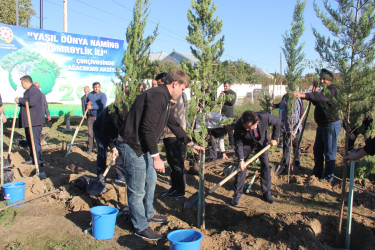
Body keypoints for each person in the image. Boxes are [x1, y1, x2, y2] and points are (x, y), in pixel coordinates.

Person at [118, 70, 202, 240]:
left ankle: (148, 214)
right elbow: (147, 130)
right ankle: (140, 226)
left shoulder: (164, 98)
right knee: (137, 188)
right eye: (183, 89)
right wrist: (157, 157)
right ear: (174, 84)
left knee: (151, 180)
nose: (182, 93)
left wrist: (190, 142)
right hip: (132, 145)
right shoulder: (157, 96)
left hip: (143, 146)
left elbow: (172, 123)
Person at [294, 68, 341, 182]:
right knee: (317, 150)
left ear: (329, 80)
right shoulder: (323, 91)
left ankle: (328, 178)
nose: (322, 81)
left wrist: (302, 94)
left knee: (329, 152)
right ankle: (317, 174)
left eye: (324, 79)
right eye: (321, 79)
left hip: (330, 125)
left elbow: (320, 97)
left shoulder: (332, 90)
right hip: (321, 126)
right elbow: (316, 100)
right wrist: (312, 93)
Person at [232, 110, 281, 206]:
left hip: (262, 143)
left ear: (257, 122)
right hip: (246, 144)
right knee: (241, 167)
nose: (246, 129)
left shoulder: (264, 117)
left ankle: (267, 193)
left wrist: (274, 138)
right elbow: (238, 144)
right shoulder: (239, 125)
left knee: (266, 165)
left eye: (249, 127)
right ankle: (237, 194)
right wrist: (241, 160)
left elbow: (278, 122)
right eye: (245, 127)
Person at [14, 75, 45, 167]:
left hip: (34, 121)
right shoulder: (28, 91)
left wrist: (20, 100)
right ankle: (32, 158)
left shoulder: (35, 90)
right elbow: (26, 102)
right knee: (30, 141)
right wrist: (20, 101)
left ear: (27, 82)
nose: (22, 85)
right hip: (29, 121)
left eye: (22, 83)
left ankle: (38, 161)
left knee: (35, 142)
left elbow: (31, 102)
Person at [93, 103, 126, 184]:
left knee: (120, 151)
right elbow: (105, 132)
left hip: (115, 132)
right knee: (102, 151)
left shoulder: (129, 112)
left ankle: (120, 176)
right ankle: (101, 176)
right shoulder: (109, 112)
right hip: (100, 130)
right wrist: (113, 147)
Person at [274, 91, 303, 169]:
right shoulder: (285, 97)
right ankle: (285, 164)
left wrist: (293, 130)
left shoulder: (295, 99)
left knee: (295, 145)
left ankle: (296, 163)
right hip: (285, 126)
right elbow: (282, 105)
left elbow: (295, 116)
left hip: (294, 127)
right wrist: (273, 105)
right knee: (286, 145)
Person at [85, 82, 107, 154]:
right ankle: (90, 148)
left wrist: (92, 107)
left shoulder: (103, 95)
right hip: (91, 117)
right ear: (93, 88)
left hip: (99, 117)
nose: (96, 88)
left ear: (100, 87)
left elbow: (102, 106)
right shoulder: (90, 95)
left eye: (97, 87)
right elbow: (86, 103)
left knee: (99, 133)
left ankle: (100, 148)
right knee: (90, 133)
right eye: (95, 87)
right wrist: (87, 105)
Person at [220, 80, 237, 149]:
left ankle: (231, 144)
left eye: (226, 86)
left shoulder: (233, 93)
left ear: (229, 86)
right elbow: (219, 102)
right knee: (223, 129)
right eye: (224, 86)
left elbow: (232, 102)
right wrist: (221, 97)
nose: (225, 87)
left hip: (229, 113)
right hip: (222, 113)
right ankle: (222, 144)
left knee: (230, 129)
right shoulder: (222, 93)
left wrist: (225, 97)